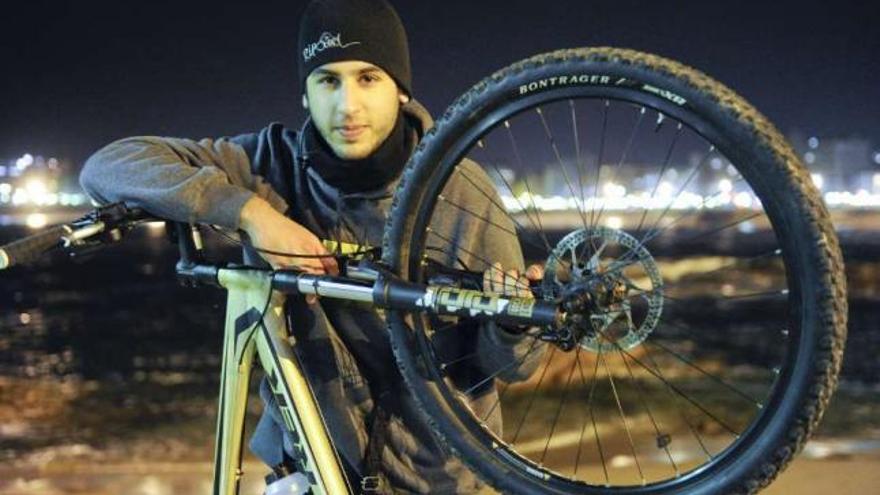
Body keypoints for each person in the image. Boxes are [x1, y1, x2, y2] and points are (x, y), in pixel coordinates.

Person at [80, 0, 544, 492]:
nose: (347, 106)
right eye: (327, 81)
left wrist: (512, 325)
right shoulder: (266, 164)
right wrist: (251, 214)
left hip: (440, 483)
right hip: (309, 472)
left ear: (401, 89)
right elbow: (109, 166)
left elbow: (516, 368)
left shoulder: (461, 190)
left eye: (368, 78)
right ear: (304, 93)